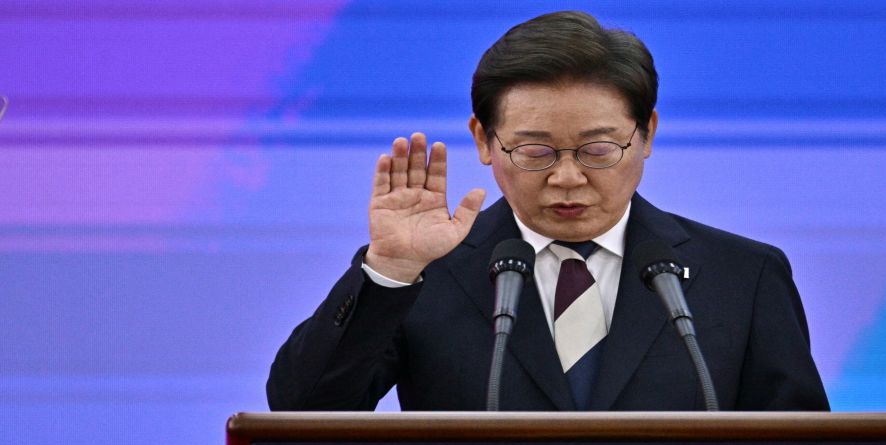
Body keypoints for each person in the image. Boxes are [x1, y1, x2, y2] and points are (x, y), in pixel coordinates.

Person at [267, 10, 828, 412]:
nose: (567, 177)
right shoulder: (425, 273)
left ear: (647, 134)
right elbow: (301, 412)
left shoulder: (742, 275)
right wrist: (390, 270)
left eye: (598, 149)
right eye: (535, 151)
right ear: (484, 141)